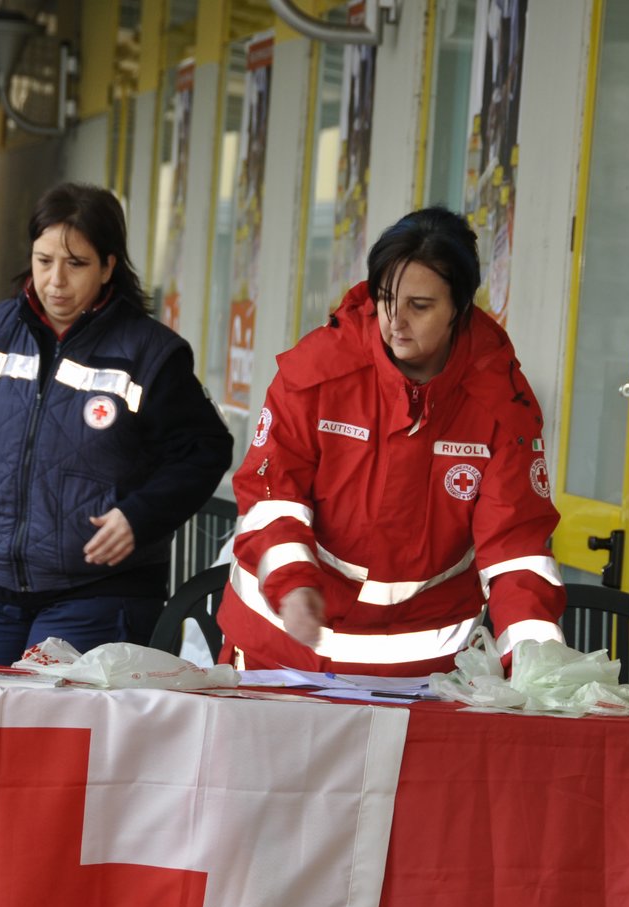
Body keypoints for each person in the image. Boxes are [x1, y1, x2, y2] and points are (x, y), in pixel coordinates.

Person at [0, 183, 234, 664]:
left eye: (76, 264)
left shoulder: (150, 352)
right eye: (44, 260)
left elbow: (205, 450)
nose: (55, 281)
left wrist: (140, 515)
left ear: (109, 266)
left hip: (98, 593)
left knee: (63, 736)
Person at [215, 206, 565, 677]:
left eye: (420, 307)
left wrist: (537, 666)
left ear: (460, 308)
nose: (395, 321)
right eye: (384, 299)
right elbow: (271, 495)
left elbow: (516, 549)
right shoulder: (318, 373)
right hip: (280, 650)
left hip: (417, 675)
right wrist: (292, 582)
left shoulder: (500, 404)